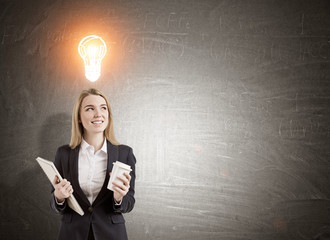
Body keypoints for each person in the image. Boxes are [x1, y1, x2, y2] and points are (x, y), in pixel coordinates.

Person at [50, 88, 136, 240]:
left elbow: (129, 202)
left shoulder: (125, 153)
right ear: (78, 117)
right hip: (72, 234)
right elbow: (54, 203)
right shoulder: (63, 154)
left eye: (103, 108)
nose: (98, 114)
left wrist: (118, 198)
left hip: (111, 234)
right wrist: (59, 197)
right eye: (90, 109)